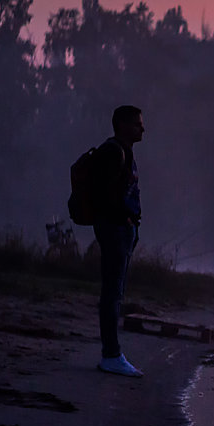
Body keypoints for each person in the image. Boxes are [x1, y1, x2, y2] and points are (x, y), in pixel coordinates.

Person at [93, 105, 145, 377]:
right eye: (137, 124)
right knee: (112, 294)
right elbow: (107, 194)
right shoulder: (114, 152)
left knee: (115, 292)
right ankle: (111, 355)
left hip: (120, 229)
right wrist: (124, 219)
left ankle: (111, 354)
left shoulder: (122, 151)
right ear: (123, 125)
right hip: (115, 230)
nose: (143, 129)